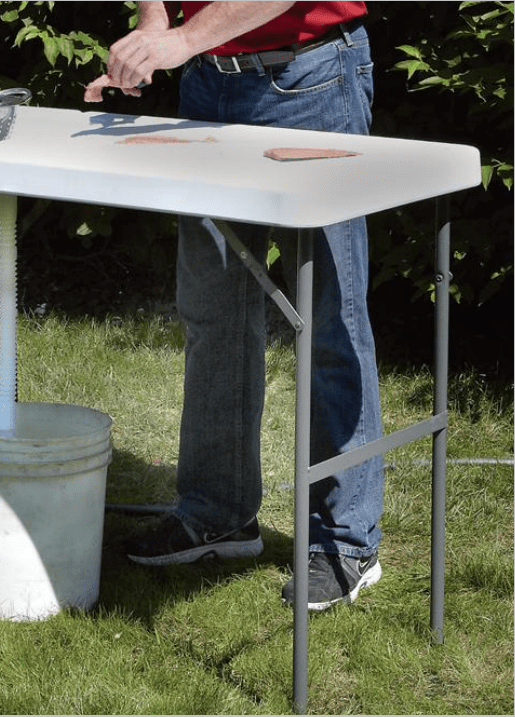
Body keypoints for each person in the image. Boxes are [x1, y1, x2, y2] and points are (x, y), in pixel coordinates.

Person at [85, 1, 384, 611]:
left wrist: (184, 39)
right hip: (208, 86)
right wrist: (153, 29)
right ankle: (218, 516)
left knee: (332, 314)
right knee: (214, 311)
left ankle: (346, 541)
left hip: (312, 80)